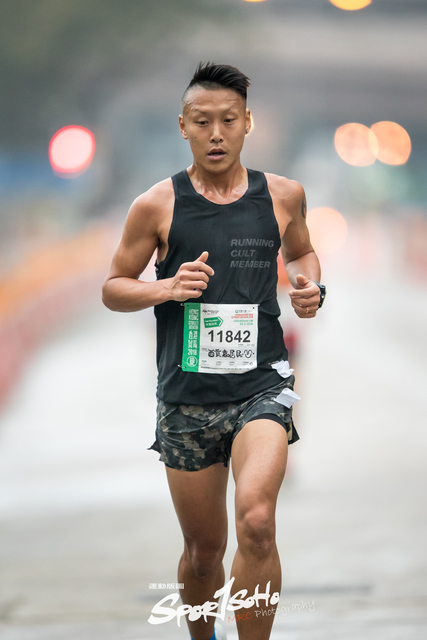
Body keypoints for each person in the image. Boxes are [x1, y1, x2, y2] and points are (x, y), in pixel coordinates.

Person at [102, 62, 326, 640]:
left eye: (228, 120)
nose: (217, 134)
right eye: (203, 122)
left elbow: (302, 253)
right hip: (188, 398)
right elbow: (113, 288)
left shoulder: (283, 195)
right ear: (183, 126)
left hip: (262, 387)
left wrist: (309, 285)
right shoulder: (156, 205)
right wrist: (166, 288)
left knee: (257, 521)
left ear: (248, 122)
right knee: (204, 553)